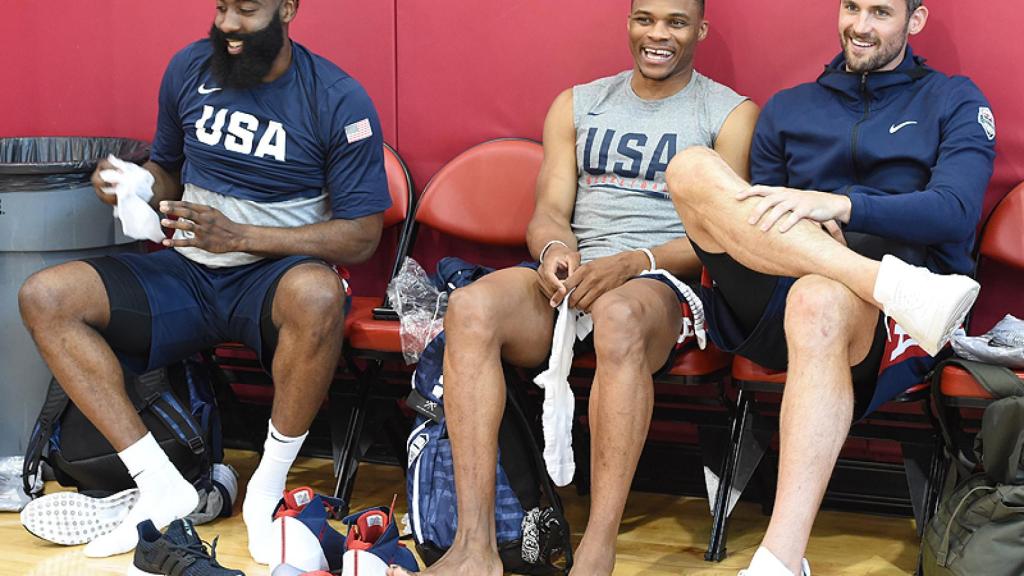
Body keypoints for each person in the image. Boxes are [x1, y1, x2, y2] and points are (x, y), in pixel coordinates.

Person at [388, 1, 758, 574]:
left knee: (620, 316)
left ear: (700, 30)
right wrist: (554, 250)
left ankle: (597, 550)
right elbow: (548, 211)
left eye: (676, 22)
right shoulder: (579, 103)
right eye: (645, 18)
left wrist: (633, 263)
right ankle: (474, 548)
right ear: (629, 22)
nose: (658, 34)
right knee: (470, 307)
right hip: (575, 278)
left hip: (657, 282)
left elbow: (725, 237)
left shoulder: (729, 113)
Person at [17, 0, 389, 563]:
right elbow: (168, 171)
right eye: (221, 7)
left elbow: (361, 236)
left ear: (288, 8)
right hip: (188, 271)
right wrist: (134, 183)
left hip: (272, 278)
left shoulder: (338, 98)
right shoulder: (188, 68)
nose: (229, 24)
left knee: (318, 295)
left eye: (247, 9)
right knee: (45, 296)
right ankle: (159, 484)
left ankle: (265, 490)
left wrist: (241, 236)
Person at [666, 0, 996, 574]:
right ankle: (887, 283)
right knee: (690, 166)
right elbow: (756, 222)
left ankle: (779, 560)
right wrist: (813, 236)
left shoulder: (953, 99)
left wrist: (839, 206)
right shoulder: (789, 108)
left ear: (915, 20)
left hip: (877, 321)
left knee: (817, 298)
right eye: (851, 6)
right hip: (791, 288)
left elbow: (956, 210)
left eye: (881, 11)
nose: (860, 26)